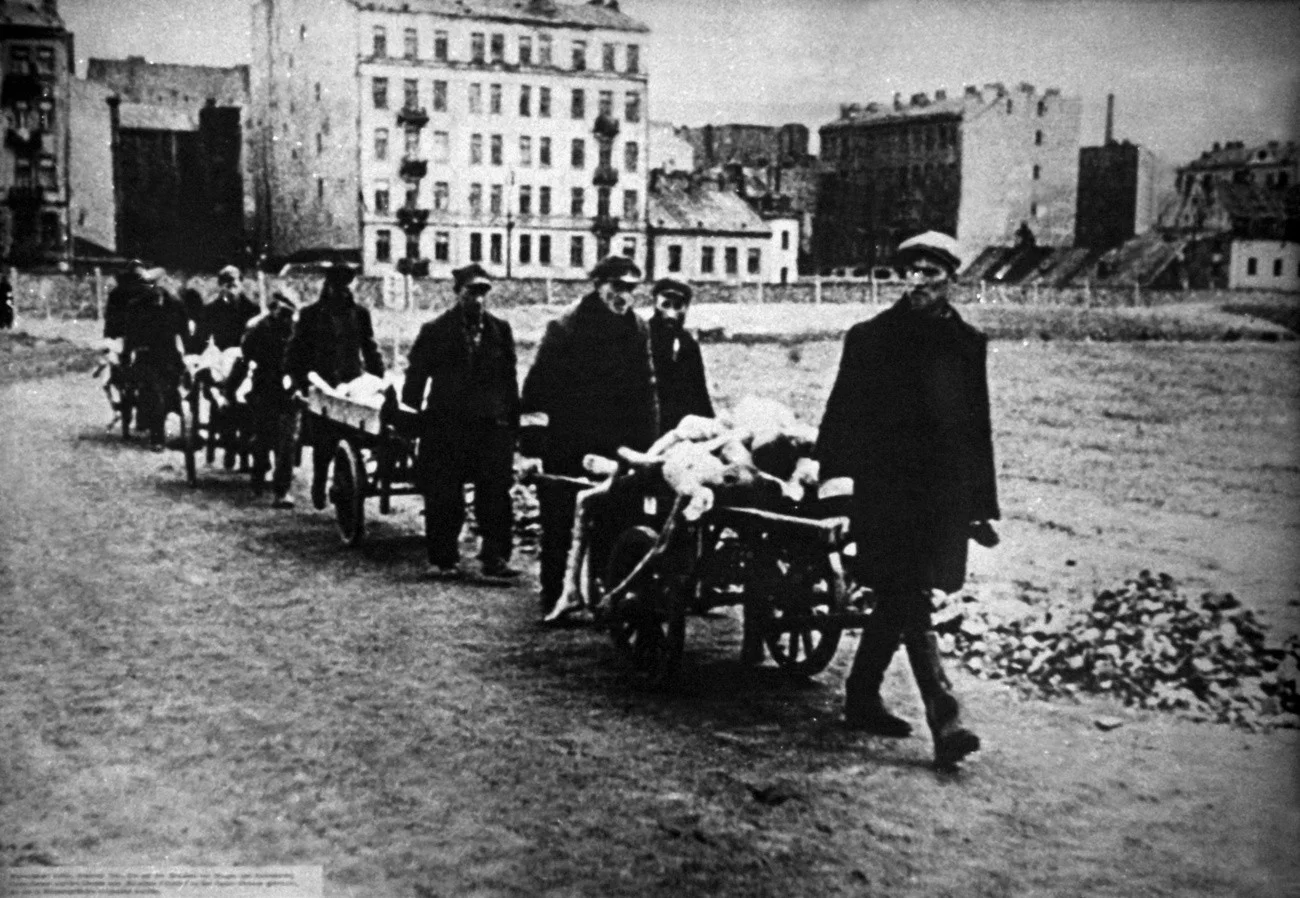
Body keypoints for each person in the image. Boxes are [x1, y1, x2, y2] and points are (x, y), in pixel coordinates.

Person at [815, 230, 1000, 770]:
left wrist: (980, 506)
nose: (918, 282)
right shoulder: (872, 338)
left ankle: (860, 696)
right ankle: (946, 720)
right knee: (909, 593)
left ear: (952, 279)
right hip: (887, 492)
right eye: (910, 272)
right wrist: (833, 480)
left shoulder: (968, 344)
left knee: (901, 596)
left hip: (942, 497)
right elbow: (842, 412)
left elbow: (976, 428)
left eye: (930, 274)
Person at [521, 254, 659, 618]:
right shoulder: (566, 326)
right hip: (568, 440)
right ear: (598, 285)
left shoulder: (638, 329)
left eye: (631, 289)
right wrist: (532, 448)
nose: (624, 296)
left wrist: (649, 447)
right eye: (617, 287)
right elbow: (537, 388)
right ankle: (554, 594)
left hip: (614, 443)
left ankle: (602, 594)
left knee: (613, 516)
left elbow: (646, 391)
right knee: (560, 520)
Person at [402, 264, 521, 580]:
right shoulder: (435, 331)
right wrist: (410, 421)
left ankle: (495, 558)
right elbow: (415, 379)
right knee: (444, 494)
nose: (478, 300)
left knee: (495, 494)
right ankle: (443, 559)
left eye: (483, 293)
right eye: (471, 292)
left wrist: (514, 426)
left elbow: (510, 382)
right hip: (446, 427)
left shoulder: (500, 331)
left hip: (490, 428)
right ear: (457, 293)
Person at [283, 261, 386, 509]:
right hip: (322, 385)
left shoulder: (359, 314)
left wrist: (378, 381)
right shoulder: (311, 315)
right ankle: (319, 482)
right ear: (328, 287)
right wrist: (299, 384)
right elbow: (295, 353)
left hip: (353, 385)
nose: (342, 291)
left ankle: (348, 481)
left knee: (354, 434)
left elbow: (369, 348)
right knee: (323, 441)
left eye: (346, 286)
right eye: (337, 286)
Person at [227, 289, 300, 507]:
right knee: (263, 437)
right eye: (282, 311)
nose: (286, 316)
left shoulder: (297, 329)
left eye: (289, 312)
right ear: (273, 309)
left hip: (288, 390)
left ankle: (282, 491)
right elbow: (244, 358)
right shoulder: (258, 328)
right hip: (264, 388)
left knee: (286, 441)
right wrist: (231, 389)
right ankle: (258, 475)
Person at [122, 267, 189, 451]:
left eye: (156, 284)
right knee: (154, 391)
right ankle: (157, 437)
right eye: (148, 285)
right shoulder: (136, 306)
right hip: (146, 358)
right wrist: (126, 360)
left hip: (170, 358)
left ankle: (153, 422)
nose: (152, 288)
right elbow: (129, 337)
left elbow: (184, 334)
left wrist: (190, 356)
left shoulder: (175, 305)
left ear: (164, 283)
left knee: (170, 392)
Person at [647, 277, 713, 432]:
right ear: (655, 304)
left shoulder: (688, 344)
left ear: (686, 309)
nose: (671, 313)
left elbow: (700, 393)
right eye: (666, 304)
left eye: (678, 306)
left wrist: (709, 424)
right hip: (647, 422)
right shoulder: (642, 337)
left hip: (680, 425)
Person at [192, 265, 259, 352]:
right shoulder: (209, 311)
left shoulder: (253, 310)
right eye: (228, 280)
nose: (233, 283)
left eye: (238, 279)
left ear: (241, 283)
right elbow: (200, 342)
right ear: (220, 284)